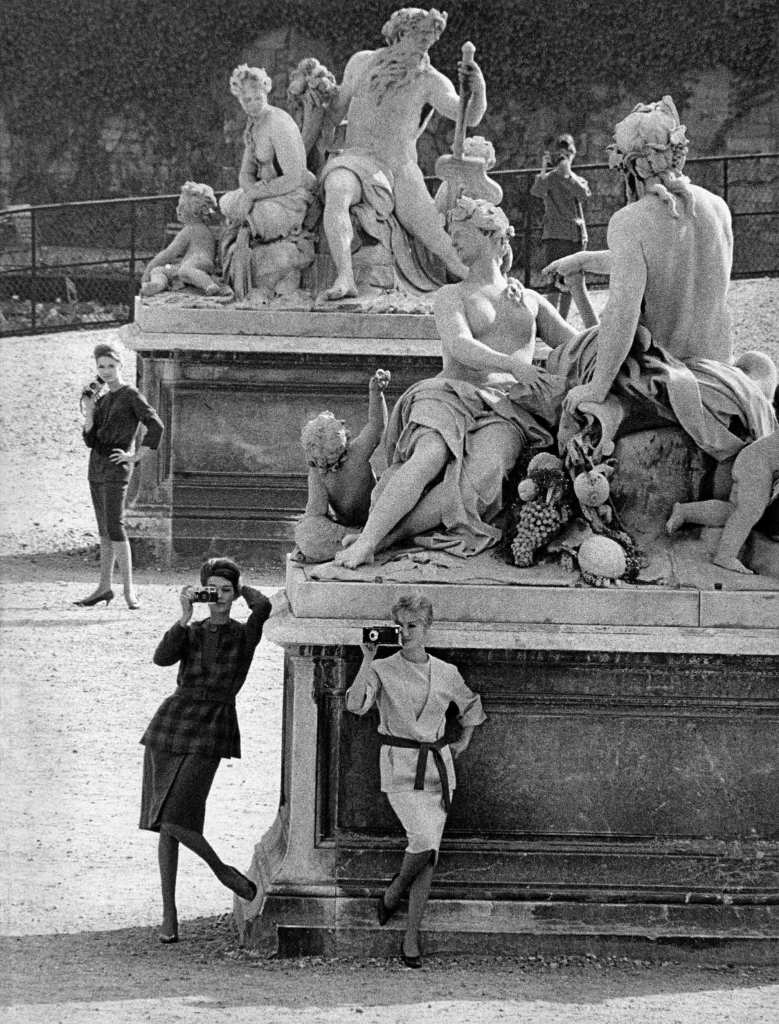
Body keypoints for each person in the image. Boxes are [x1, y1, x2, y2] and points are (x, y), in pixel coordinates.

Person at [334, 196, 578, 569]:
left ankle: (391, 537)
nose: (452, 241)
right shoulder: (452, 295)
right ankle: (368, 539)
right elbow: (460, 345)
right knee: (430, 454)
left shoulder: (529, 300)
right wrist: (512, 364)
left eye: (460, 233)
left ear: (490, 235)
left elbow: (579, 345)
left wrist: (578, 285)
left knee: (487, 470)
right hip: (449, 392)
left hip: (506, 408)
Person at [542, 96, 777, 464]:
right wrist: (586, 260)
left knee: (575, 353)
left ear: (632, 167)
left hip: (671, 372)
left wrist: (598, 386)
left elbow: (621, 314)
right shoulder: (717, 207)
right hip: (718, 362)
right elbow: (670, 261)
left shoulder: (630, 221)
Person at [345, 594, 485, 967]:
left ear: (427, 627)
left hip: (439, 770)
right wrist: (367, 658)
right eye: (401, 626)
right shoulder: (382, 669)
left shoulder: (446, 672)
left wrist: (462, 743)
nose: (406, 633)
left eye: (413, 626)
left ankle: (411, 937)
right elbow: (355, 704)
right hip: (401, 767)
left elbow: (470, 706)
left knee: (430, 856)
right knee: (422, 841)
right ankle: (393, 893)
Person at [139, 557, 272, 943]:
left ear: (234, 595)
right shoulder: (192, 631)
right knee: (166, 819)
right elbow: (161, 658)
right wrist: (184, 614)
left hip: (214, 726)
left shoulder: (245, 634)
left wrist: (240, 585)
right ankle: (170, 913)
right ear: (201, 592)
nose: (218, 598)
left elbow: (263, 607)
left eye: (224, 591)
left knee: (176, 817)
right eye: (211, 591)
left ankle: (223, 872)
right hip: (172, 723)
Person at [316, 7, 487, 299]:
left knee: (439, 240)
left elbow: (468, 118)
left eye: (430, 37)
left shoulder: (430, 80)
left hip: (399, 168)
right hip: (357, 158)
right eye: (418, 34)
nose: (425, 42)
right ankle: (345, 278)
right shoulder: (362, 62)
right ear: (398, 32)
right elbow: (336, 110)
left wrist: (478, 87)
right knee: (337, 189)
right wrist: (315, 102)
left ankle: (486, 286)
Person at [76, 342, 163, 609]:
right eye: (101, 367)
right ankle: (104, 588)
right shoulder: (102, 398)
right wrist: (90, 410)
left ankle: (129, 591)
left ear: (120, 366)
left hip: (116, 467)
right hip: (96, 467)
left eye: (111, 366)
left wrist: (135, 456)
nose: (106, 371)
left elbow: (155, 426)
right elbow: (90, 440)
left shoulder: (130, 395)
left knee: (115, 527)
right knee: (104, 530)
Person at [219, 64, 316, 293]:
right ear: (238, 99)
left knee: (254, 215)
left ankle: (253, 276)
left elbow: (294, 178)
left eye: (256, 98)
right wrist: (250, 193)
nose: (252, 104)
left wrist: (252, 196)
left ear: (266, 92)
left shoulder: (278, 122)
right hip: (265, 192)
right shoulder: (253, 125)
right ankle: (238, 271)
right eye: (246, 100)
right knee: (225, 202)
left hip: (291, 196)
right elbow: (245, 173)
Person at [294, 369, 391, 562]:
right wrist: (320, 531)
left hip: (378, 519)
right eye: (321, 461)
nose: (327, 465)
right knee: (306, 531)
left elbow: (376, 425)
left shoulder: (356, 453)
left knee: (391, 483)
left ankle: (373, 540)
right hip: (347, 528)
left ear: (344, 443)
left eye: (331, 458)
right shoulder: (318, 472)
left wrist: (376, 393)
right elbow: (315, 512)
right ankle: (360, 542)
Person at [665, 429, 779, 574]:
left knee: (734, 511)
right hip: (758, 463)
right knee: (748, 512)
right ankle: (725, 555)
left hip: (754, 460)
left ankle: (685, 512)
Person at [530, 133, 590, 319]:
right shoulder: (549, 178)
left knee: (571, 279)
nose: (564, 158)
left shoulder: (577, 180)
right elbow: (537, 191)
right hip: (556, 234)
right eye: (561, 155)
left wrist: (569, 174)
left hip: (575, 235)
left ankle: (562, 319)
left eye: (567, 155)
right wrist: (544, 167)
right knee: (554, 280)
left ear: (572, 155)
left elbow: (583, 195)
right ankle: (550, 320)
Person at [140, 182, 225, 297]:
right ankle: (157, 284)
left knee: (184, 270)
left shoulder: (191, 229)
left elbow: (169, 253)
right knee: (159, 270)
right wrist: (153, 269)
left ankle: (209, 284)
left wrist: (148, 268)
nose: (178, 210)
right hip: (189, 264)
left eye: (182, 206)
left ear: (195, 212)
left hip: (200, 262)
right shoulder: (195, 228)